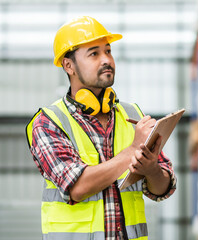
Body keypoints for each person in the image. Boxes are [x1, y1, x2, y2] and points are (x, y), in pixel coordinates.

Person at [26, 16, 176, 240]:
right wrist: (133, 150)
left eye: (108, 51)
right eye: (94, 54)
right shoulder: (49, 122)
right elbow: (77, 187)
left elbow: (163, 189)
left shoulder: (132, 115)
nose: (107, 60)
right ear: (69, 65)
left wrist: (151, 169)